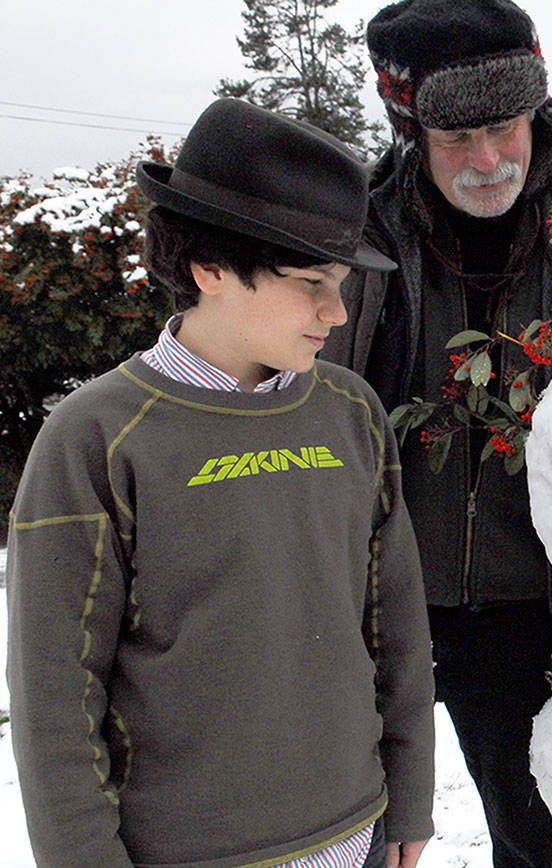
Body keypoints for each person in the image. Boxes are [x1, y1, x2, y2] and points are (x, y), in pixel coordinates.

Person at [6, 97, 435, 868]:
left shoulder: (350, 413)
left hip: (360, 835)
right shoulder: (98, 438)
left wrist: (409, 796)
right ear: (210, 268)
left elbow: (395, 623)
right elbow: (55, 697)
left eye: (339, 281)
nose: (336, 311)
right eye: (312, 282)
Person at [320, 1, 552, 865]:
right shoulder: (354, 239)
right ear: (413, 129)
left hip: (531, 614)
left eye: (503, 124)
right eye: (456, 138)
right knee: (352, 836)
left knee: (538, 837)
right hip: (371, 603)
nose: (488, 160)